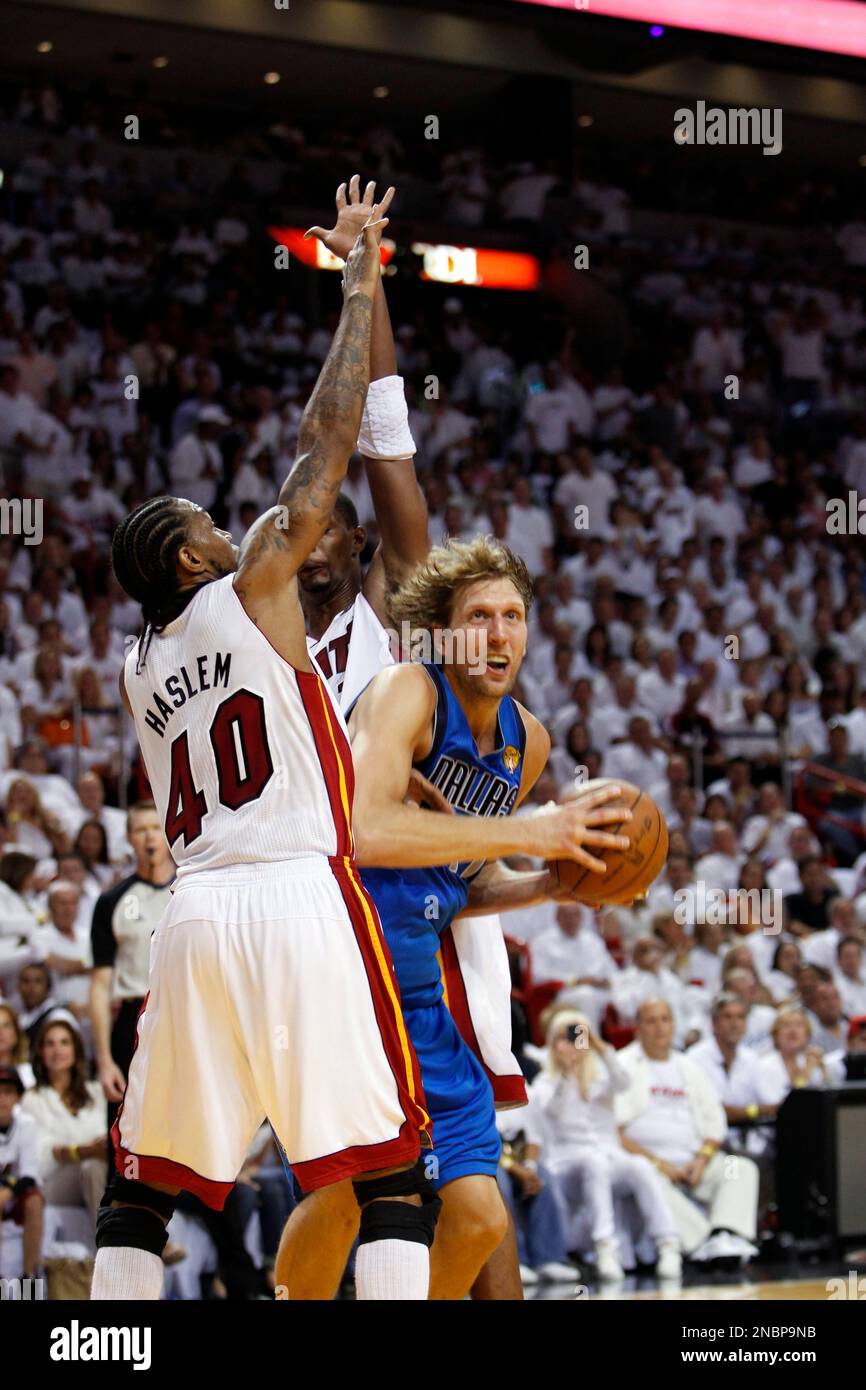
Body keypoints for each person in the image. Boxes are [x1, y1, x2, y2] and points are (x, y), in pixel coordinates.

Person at [90, 199, 439, 1304]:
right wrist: (352, 286)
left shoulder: (138, 665)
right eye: (209, 518)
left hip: (193, 920)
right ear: (197, 548)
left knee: (140, 1188)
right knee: (387, 1168)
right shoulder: (249, 585)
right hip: (296, 893)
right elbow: (324, 442)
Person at [277, 534, 630, 1301]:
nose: (498, 634)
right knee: (349, 1197)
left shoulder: (527, 742)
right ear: (442, 629)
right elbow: (366, 828)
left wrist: (547, 887)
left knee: (478, 1218)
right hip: (346, 972)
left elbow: (460, 878)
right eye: (478, 617)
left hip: (422, 989)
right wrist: (533, 832)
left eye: (512, 616)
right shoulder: (409, 688)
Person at [529, 1011, 681, 1282]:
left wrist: (598, 1045)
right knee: (593, 1163)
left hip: (608, 1157)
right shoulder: (545, 1082)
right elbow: (552, 1109)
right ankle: (605, 1247)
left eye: (577, 1035)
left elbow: (624, 1081)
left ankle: (668, 1243)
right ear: (553, 1043)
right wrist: (566, 1073)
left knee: (640, 1166)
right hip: (566, 1165)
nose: (574, 1042)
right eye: (566, 1037)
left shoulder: (600, 1076)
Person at [617, 998, 760, 1265]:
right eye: (651, 1021)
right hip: (648, 1163)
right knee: (645, 1175)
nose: (660, 1028)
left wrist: (702, 1160)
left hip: (694, 1163)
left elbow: (715, 1124)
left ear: (674, 1026)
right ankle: (703, 1243)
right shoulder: (623, 1066)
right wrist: (660, 1164)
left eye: (665, 1020)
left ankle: (726, 1233)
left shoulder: (690, 1068)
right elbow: (613, 1131)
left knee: (739, 1167)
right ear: (638, 1028)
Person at [88, 801, 174, 1132]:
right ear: (128, 838)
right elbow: (99, 984)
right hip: (131, 1020)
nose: (149, 837)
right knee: (127, 1134)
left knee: (183, 1134)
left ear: (168, 833)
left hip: (182, 1015)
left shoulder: (192, 891)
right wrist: (104, 1058)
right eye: (140, 830)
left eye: (155, 828)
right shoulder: (111, 901)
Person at [21, 1018, 107, 1225]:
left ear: (76, 1049)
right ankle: (110, 1245)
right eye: (50, 1044)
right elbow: (41, 1155)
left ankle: (147, 1238)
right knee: (92, 1167)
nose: (57, 1050)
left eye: (64, 1042)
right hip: (55, 1184)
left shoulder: (96, 1092)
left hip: (102, 1171)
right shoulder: (33, 1098)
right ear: (40, 1052)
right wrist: (85, 1150)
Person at [0, 1065, 43, 1279]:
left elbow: (30, 1172)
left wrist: (6, 1192)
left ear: (18, 1097)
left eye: (8, 1092)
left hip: (14, 1194)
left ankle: (30, 1275)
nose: (2, 1100)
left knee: (35, 1201)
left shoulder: (26, 1124)